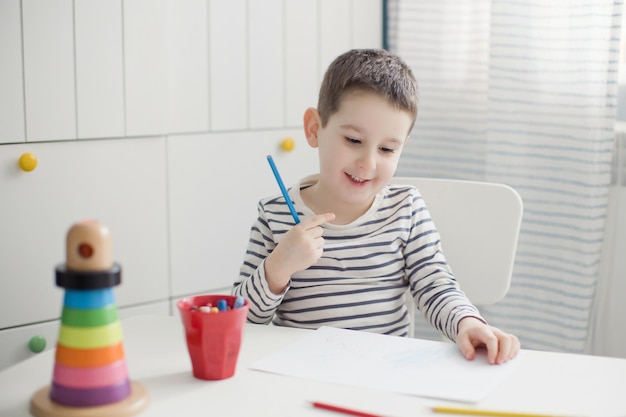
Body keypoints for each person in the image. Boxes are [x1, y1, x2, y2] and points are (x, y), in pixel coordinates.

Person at [233, 49, 519, 365]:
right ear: (315, 129)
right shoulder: (275, 216)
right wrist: (279, 266)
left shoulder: (405, 209)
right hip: (304, 374)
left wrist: (469, 323)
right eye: (353, 140)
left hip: (384, 377)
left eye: (386, 149)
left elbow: (435, 286)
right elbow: (242, 321)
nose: (367, 163)